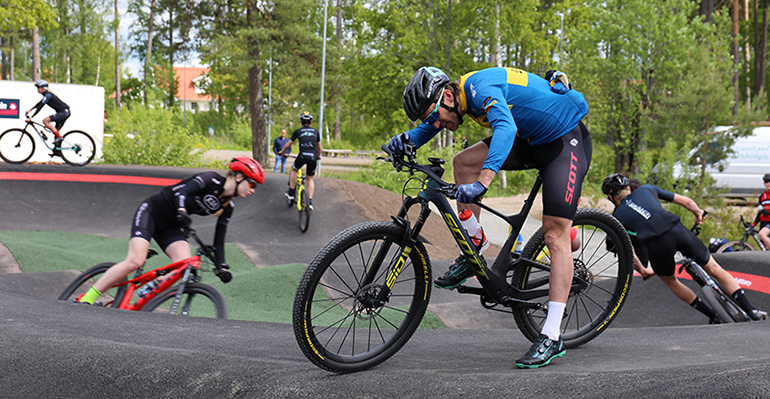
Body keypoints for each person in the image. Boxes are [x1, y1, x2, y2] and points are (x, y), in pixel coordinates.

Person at [388, 66, 590, 368]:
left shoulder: (479, 90)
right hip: (532, 139)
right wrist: (406, 140)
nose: (436, 123)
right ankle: (475, 244)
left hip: (565, 140)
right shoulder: (457, 100)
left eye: (434, 115)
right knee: (463, 163)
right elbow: (433, 125)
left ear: (446, 96)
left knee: (553, 234)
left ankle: (551, 334)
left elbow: (505, 129)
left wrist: (484, 180)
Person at [76, 157, 264, 305]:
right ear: (239, 177)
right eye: (253, 184)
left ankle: (141, 296)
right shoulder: (211, 179)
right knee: (135, 260)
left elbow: (219, 239)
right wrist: (182, 210)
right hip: (152, 212)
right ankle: (88, 297)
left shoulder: (227, 205)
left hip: (171, 225)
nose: (253, 190)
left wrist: (221, 266)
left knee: (183, 265)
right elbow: (181, 191)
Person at [602, 173, 768, 324]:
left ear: (610, 197)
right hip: (677, 230)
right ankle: (751, 310)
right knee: (714, 268)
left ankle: (713, 315)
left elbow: (630, 252)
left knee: (671, 281)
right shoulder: (646, 189)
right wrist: (698, 214)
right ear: (629, 188)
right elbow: (687, 202)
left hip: (657, 245)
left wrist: (644, 270)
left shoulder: (617, 218)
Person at [279, 111, 322, 211]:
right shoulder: (316, 132)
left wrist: (282, 151)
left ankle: (291, 192)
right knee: (310, 178)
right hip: (312, 157)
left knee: (294, 169)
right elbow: (319, 148)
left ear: (301, 122)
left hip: (302, 156)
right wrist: (317, 157)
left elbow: (288, 145)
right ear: (311, 122)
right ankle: (310, 202)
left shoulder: (298, 131)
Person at [25, 80, 70, 157]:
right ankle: (57, 151)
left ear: (44, 88)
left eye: (39, 87)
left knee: (45, 121)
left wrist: (31, 117)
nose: (37, 89)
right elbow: (38, 104)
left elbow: (40, 107)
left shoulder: (48, 95)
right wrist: (30, 110)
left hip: (63, 113)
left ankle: (59, 138)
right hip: (64, 112)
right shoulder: (46, 95)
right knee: (55, 131)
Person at [755, 173, 770, 249]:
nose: (768, 184)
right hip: (763, 222)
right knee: (764, 246)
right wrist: (754, 223)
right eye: (766, 182)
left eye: (769, 182)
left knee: (762, 234)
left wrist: (768, 212)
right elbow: (760, 212)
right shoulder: (762, 196)